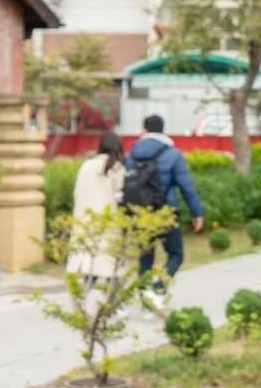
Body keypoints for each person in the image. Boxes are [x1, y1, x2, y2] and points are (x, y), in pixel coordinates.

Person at [125, 115, 203, 306]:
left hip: (140, 213)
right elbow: (186, 187)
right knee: (176, 254)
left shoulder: (131, 155)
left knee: (145, 256)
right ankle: (158, 290)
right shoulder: (173, 154)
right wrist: (197, 212)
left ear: (143, 131)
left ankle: (145, 299)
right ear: (163, 131)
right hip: (166, 211)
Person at [65, 130, 128, 281]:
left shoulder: (87, 166)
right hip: (108, 221)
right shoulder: (117, 168)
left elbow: (77, 193)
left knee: (90, 265)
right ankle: (112, 295)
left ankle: (83, 293)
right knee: (110, 265)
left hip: (85, 219)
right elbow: (120, 197)